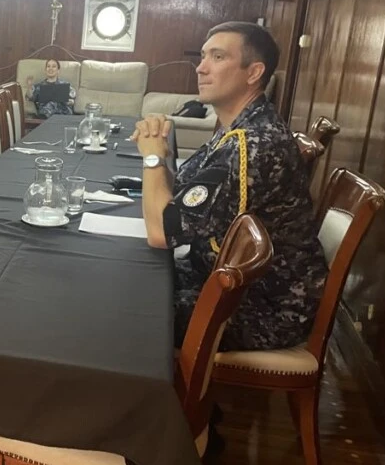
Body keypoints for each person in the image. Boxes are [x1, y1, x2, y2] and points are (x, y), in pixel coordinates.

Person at [132, 21, 328, 353]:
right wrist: (160, 153)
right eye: (203, 56)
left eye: (218, 57)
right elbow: (181, 192)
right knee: (122, 274)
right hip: (218, 277)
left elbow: (162, 233)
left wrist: (152, 158)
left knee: (124, 308)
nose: (201, 68)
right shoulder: (237, 127)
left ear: (254, 73)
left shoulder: (252, 143)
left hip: (261, 308)